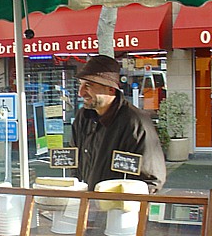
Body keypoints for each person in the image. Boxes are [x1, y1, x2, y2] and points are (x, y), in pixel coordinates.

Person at [71, 55, 166, 193]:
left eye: (88, 85)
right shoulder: (82, 117)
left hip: (119, 210)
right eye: (80, 84)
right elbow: (74, 166)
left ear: (111, 89)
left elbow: (151, 181)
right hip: (85, 207)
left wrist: (119, 204)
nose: (81, 92)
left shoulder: (136, 122)